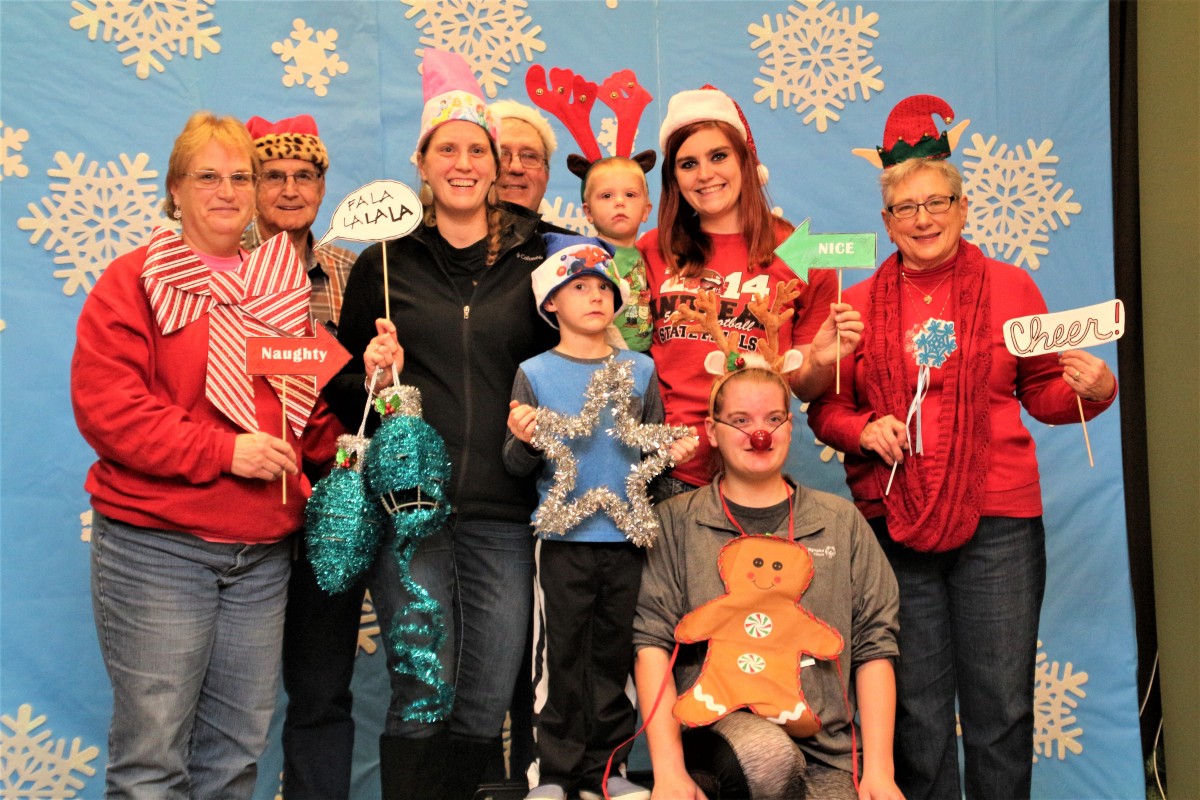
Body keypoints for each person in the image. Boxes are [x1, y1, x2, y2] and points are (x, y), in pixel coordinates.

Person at [807, 94, 1118, 800]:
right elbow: (826, 406)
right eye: (906, 208)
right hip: (895, 521)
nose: (923, 218)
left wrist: (1091, 388)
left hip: (999, 519)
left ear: (963, 205)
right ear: (887, 221)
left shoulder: (1011, 288)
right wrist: (863, 429)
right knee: (915, 710)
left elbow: (1042, 391)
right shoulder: (858, 303)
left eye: (936, 201)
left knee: (1000, 707)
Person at [71, 110, 343, 799]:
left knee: (234, 757)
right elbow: (111, 412)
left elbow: (301, 427)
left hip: (260, 558)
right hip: (158, 547)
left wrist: (368, 387)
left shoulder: (280, 289)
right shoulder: (132, 282)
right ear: (174, 191)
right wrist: (225, 451)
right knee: (153, 756)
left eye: (240, 177)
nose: (227, 191)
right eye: (207, 177)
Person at [326, 49, 556, 800]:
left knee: (487, 699)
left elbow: (577, 363)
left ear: (496, 163)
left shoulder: (540, 258)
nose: (463, 163)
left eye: (477, 150)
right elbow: (344, 393)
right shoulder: (384, 265)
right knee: (423, 692)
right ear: (422, 163)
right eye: (446, 149)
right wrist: (378, 374)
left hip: (507, 511)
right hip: (411, 515)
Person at [632, 333, 903, 800]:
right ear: (712, 432)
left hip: (827, 750)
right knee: (766, 757)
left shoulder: (840, 522)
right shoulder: (676, 522)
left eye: (773, 419)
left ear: (789, 427)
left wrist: (879, 771)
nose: (760, 434)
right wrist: (668, 772)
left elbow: (876, 645)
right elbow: (651, 641)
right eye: (741, 421)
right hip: (719, 741)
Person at [503, 236, 698, 800]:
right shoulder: (533, 372)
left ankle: (607, 772)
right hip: (563, 539)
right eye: (578, 288)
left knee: (614, 658)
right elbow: (515, 464)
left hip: (629, 540)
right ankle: (555, 777)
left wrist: (672, 459)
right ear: (551, 305)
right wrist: (525, 441)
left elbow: (652, 459)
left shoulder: (640, 370)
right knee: (560, 660)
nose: (594, 297)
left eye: (603, 289)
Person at [642, 85, 863, 497]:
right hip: (668, 474)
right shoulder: (650, 251)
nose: (705, 174)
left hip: (755, 471)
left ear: (745, 160)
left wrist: (821, 359)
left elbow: (802, 384)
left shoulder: (800, 252)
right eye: (688, 163)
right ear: (673, 177)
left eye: (719, 156)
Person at [241, 113, 360, 800]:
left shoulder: (353, 270)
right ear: (254, 187)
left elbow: (367, 394)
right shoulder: (219, 266)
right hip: (245, 493)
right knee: (232, 691)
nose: (290, 189)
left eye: (304, 176)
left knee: (322, 688)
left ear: (322, 184)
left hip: (332, 498)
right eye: (274, 176)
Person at [491, 98, 559, 229]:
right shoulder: (442, 246)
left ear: (546, 175)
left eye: (529, 156)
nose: (516, 167)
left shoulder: (573, 248)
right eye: (502, 154)